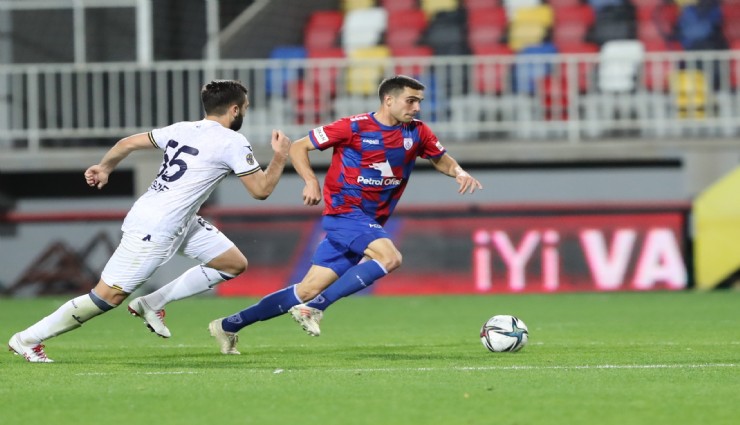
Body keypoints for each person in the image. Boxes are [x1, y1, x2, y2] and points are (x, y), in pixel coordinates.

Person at [8, 80, 291, 362]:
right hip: (156, 226)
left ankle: (152, 303)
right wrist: (280, 156)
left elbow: (127, 143)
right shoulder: (232, 141)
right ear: (234, 109)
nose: (245, 112)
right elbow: (261, 190)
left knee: (232, 263)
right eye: (245, 108)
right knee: (106, 297)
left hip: (177, 219)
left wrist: (105, 167)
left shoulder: (182, 128)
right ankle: (27, 339)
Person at [207, 75, 482, 355]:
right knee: (390, 258)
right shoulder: (353, 126)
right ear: (389, 100)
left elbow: (440, 157)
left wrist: (459, 172)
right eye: (410, 101)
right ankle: (316, 308)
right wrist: (311, 181)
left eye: (419, 102)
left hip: (367, 222)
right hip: (345, 212)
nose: (417, 108)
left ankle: (228, 325)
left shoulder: (418, 132)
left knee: (305, 290)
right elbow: (300, 146)